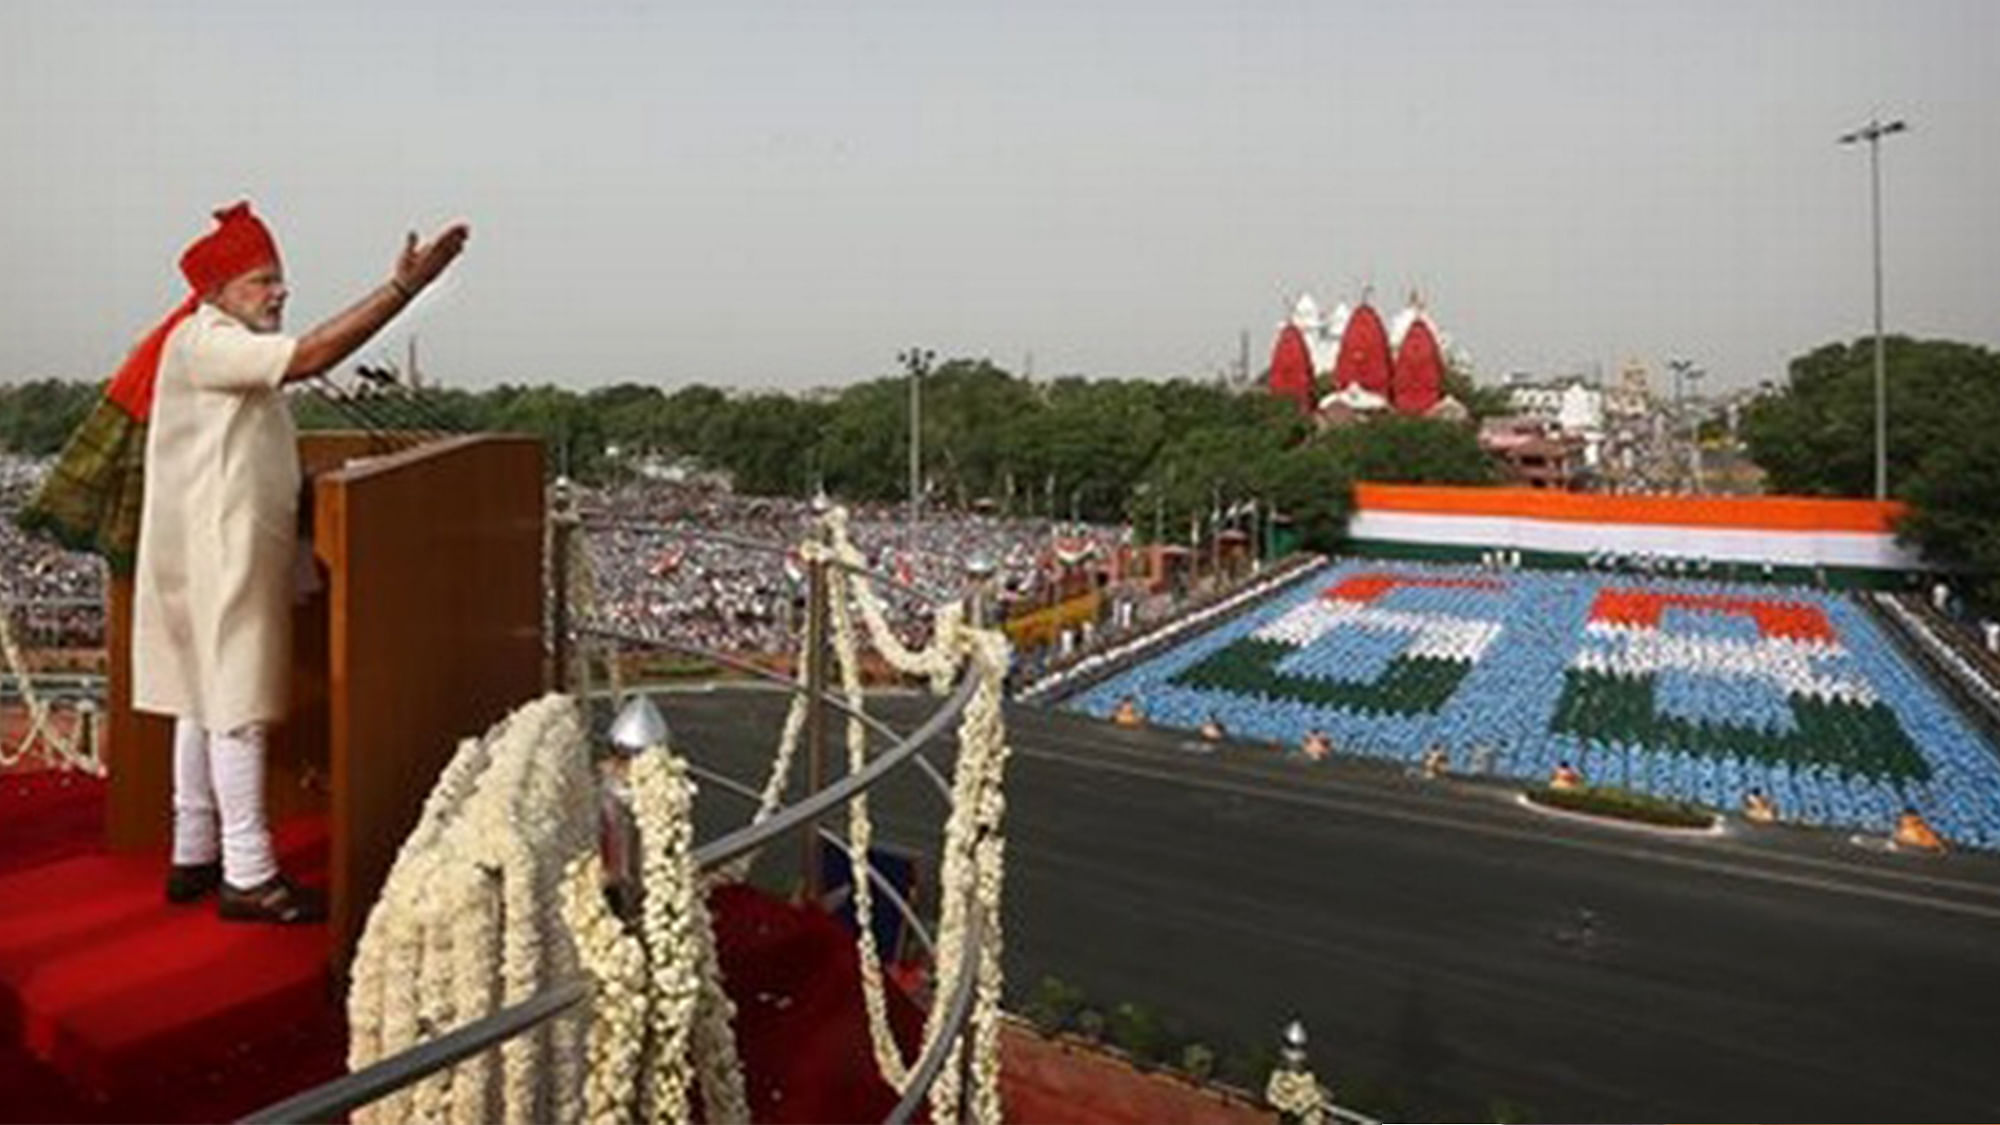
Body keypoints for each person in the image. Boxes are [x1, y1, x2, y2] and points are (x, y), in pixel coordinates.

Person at [137, 202, 469, 923]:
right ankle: (249, 875)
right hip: (221, 554)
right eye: (262, 281)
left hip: (213, 549)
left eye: (280, 279)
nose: (279, 293)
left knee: (201, 700)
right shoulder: (208, 341)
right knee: (235, 705)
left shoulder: (209, 341)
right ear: (219, 291)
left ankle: (195, 850)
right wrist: (403, 291)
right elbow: (314, 355)